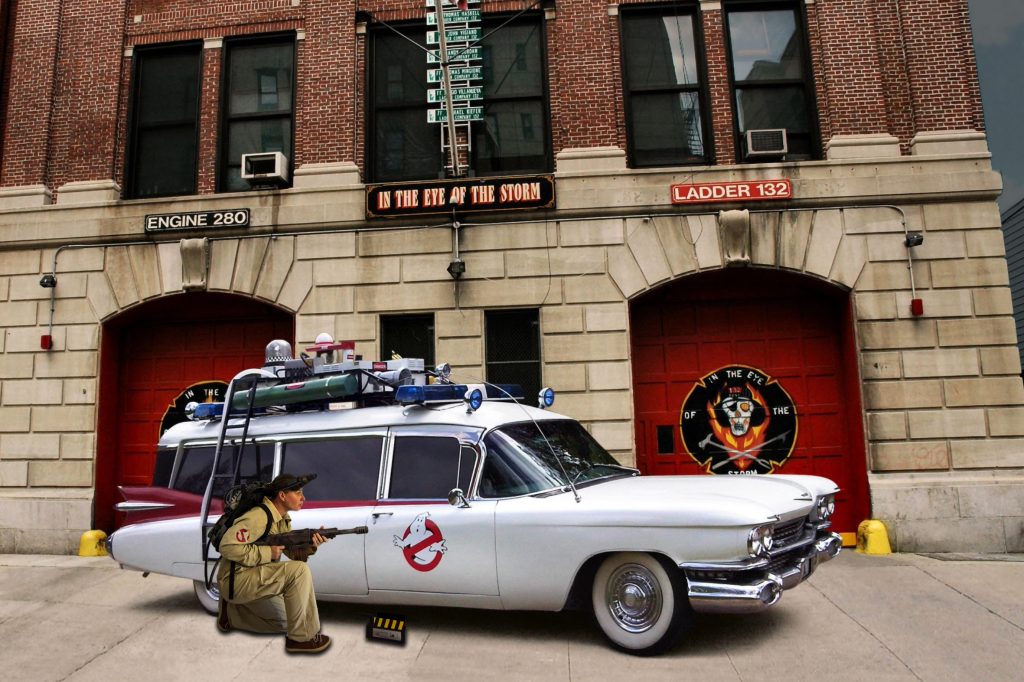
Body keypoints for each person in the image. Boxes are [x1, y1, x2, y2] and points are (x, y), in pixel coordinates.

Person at [216, 472, 332, 654]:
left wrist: (311, 545)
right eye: (298, 493)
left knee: (287, 621)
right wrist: (267, 553)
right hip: (235, 579)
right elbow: (227, 546)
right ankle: (299, 639)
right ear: (282, 495)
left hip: (256, 577)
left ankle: (231, 615)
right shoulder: (259, 516)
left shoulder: (282, 519)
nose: (303, 498)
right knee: (299, 571)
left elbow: (293, 554)